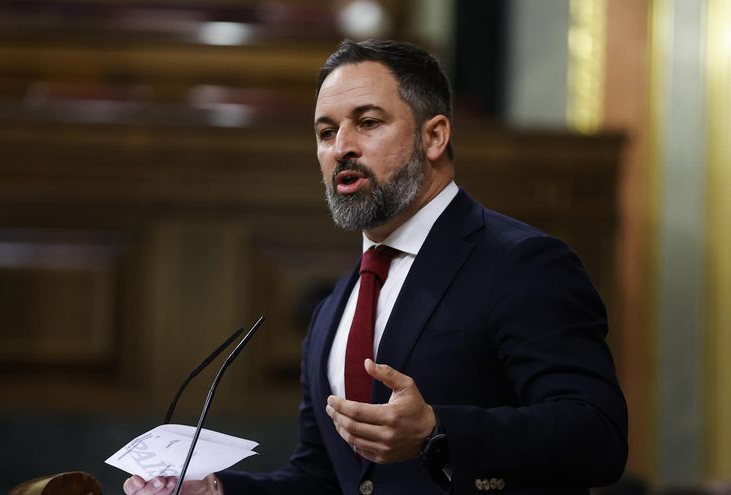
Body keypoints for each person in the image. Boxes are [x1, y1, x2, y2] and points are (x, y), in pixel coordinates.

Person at [124, 39, 628, 495]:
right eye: (326, 131)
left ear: (434, 137)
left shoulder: (521, 263)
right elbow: (324, 480)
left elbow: (598, 436)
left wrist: (438, 432)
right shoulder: (332, 312)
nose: (341, 146)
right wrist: (212, 492)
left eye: (367, 123)